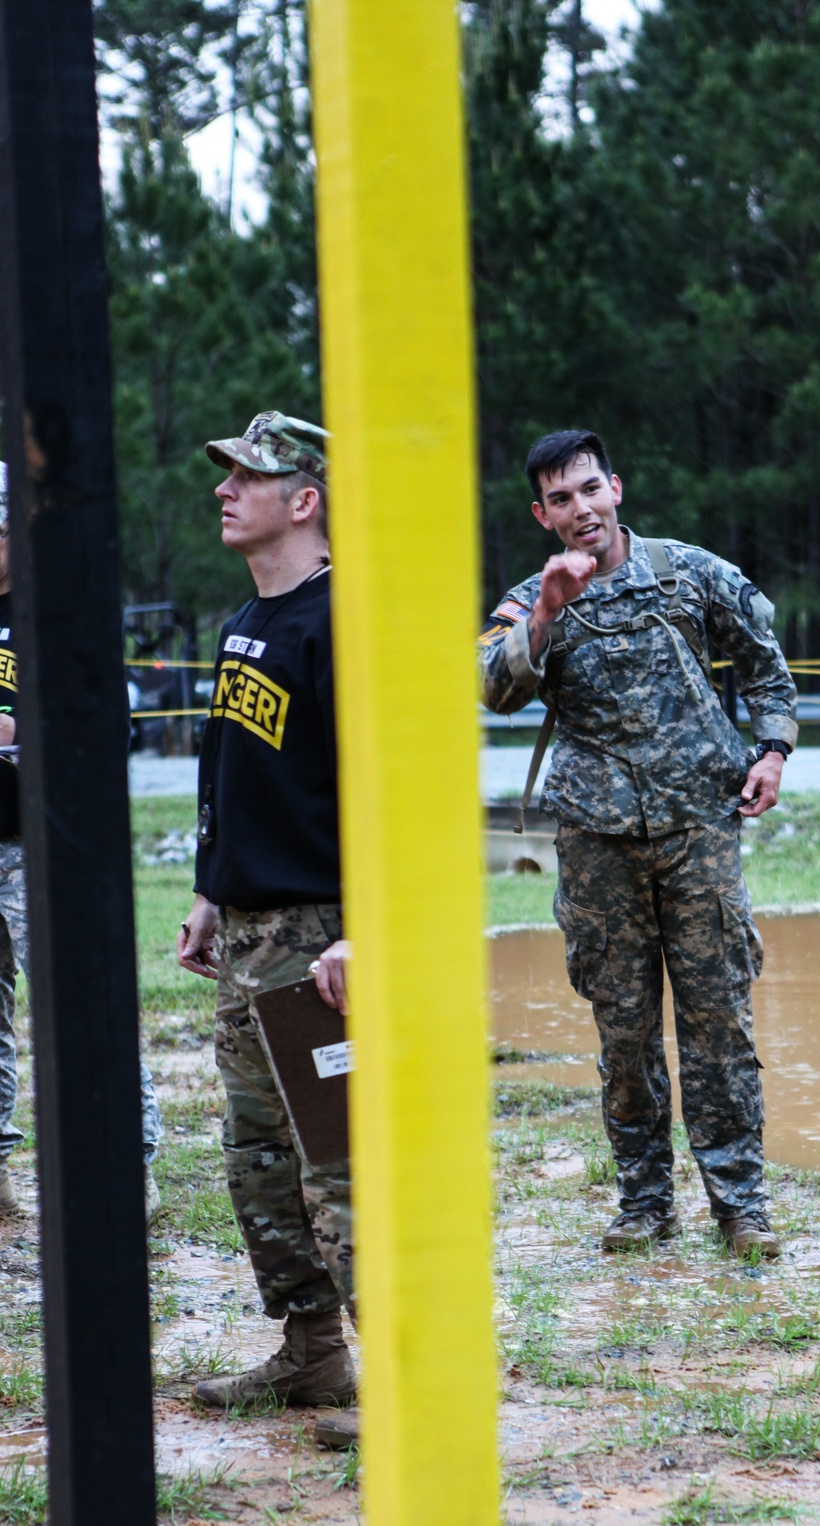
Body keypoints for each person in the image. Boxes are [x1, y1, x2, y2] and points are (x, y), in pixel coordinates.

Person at [479, 430, 798, 1258]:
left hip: (700, 829)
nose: (580, 508)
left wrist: (771, 750)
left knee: (719, 1022)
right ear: (543, 515)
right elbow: (493, 690)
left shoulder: (689, 571)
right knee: (623, 1032)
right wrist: (549, 607)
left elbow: (764, 660)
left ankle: (741, 1207)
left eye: (589, 489)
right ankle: (644, 1204)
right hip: (597, 845)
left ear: (615, 488)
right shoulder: (529, 599)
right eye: (560, 499)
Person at [177, 411, 354, 1443]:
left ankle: (408, 1375)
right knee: (259, 1154)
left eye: (248, 473)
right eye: (226, 472)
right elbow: (235, 773)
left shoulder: (342, 622)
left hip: (318, 934)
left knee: (337, 1153)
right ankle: (313, 1350)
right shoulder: (251, 619)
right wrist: (210, 889)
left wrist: (361, 927)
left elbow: (383, 785)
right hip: (246, 929)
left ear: (306, 497)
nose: (223, 488)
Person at [0, 463, 163, 1219]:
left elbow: (110, 730)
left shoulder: (59, 610)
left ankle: (135, 1166)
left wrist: (16, 734)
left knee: (84, 1006)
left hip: (43, 845)